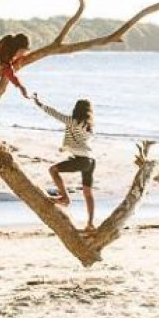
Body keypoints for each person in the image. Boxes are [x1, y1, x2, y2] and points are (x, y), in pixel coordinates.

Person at [33, 95, 96, 231]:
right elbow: (81, 142)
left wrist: (40, 104)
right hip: (91, 161)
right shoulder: (89, 126)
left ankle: (65, 198)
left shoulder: (72, 121)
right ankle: (90, 223)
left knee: (53, 170)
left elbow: (55, 114)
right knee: (88, 193)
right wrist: (68, 148)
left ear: (76, 110)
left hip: (81, 160)